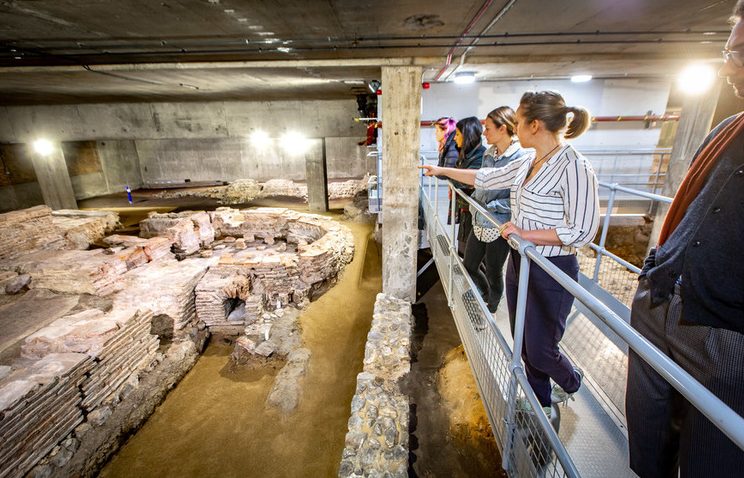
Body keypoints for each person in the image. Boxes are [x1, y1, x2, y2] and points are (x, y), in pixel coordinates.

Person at [420, 91, 599, 417]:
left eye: (518, 122)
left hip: (552, 267)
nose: (514, 128)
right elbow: (486, 177)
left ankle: (571, 381)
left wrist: (525, 234)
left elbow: (583, 230)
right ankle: (539, 403)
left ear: (535, 125)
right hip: (522, 262)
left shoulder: (574, 167)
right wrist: (441, 171)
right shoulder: (528, 161)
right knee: (524, 341)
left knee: (543, 348)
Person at [624, 3, 744, 476]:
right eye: (728, 50)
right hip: (661, 302)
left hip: (728, 332)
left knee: (713, 457)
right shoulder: (725, 131)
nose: (728, 63)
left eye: (739, 52)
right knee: (648, 434)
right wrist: (655, 268)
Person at [464, 106, 532, 313]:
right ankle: (485, 294)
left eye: (488, 128)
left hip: (500, 223)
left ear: (503, 129)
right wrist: (474, 202)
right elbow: (483, 182)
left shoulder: (520, 157)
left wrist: (492, 206)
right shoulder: (488, 153)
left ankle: (492, 306)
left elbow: (519, 197)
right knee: (469, 265)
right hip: (480, 218)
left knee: (494, 270)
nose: (484, 133)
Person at [452, 116, 486, 254]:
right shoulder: (466, 155)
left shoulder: (480, 155)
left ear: (467, 135)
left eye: (458, 134)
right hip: (467, 211)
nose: (455, 138)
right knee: (463, 250)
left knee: (472, 257)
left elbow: (464, 182)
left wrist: (450, 175)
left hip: (475, 214)